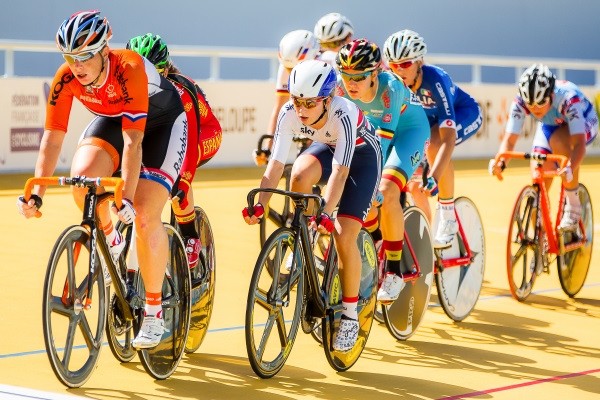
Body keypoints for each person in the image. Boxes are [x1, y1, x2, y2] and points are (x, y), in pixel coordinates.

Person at [16, 10, 188, 349]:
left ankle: (154, 313)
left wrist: (126, 194)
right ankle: (112, 240)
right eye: (70, 57)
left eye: (84, 56)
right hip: (113, 121)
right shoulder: (66, 79)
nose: (76, 66)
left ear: (104, 51)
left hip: (160, 126)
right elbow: (52, 138)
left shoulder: (131, 68)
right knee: (82, 184)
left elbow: (133, 142)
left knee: (143, 211)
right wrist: (36, 192)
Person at [243, 60, 381, 352]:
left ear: (329, 100)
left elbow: (342, 172)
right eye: (296, 101)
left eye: (309, 103)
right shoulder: (289, 113)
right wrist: (261, 203)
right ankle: (303, 234)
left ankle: (350, 315)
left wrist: (328, 213)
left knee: (344, 236)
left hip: (363, 158)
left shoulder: (343, 113)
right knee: (299, 173)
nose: (301, 110)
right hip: (330, 149)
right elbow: (276, 164)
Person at [336, 39, 430, 302]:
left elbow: (383, 144)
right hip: (374, 133)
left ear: (375, 72)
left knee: (385, 190)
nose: (351, 83)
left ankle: (394, 271)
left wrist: (372, 185)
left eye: (359, 77)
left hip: (407, 133)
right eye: (346, 76)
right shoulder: (340, 90)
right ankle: (377, 239)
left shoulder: (390, 89)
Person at [126, 33, 222, 270]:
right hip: (164, 129)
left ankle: (190, 236)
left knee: (178, 173)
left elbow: (187, 148)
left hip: (203, 133)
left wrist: (183, 183)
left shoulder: (179, 91)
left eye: (154, 73)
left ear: (166, 70)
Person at [383, 29, 483, 249]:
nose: (399, 70)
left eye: (406, 64)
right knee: (415, 185)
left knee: (436, 146)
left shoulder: (436, 80)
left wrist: (435, 177)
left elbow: (447, 140)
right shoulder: (393, 84)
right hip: (427, 125)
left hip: (463, 113)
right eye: (394, 65)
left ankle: (448, 216)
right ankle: (426, 239)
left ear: (420, 62)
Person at [489, 64, 598, 230]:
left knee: (559, 142)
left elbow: (579, 145)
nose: (535, 109)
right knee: (538, 176)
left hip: (585, 122)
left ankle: (574, 205)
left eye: (540, 103)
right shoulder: (521, 100)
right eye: (530, 105)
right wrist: (501, 162)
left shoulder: (568, 98)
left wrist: (570, 167)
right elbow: (509, 141)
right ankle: (543, 244)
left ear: (551, 95)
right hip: (551, 124)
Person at [256, 29, 321, 165]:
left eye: (295, 68)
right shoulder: (285, 66)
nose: (292, 73)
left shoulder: (326, 65)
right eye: (289, 69)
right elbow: (280, 107)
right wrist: (267, 147)